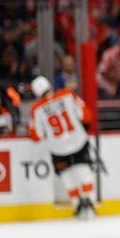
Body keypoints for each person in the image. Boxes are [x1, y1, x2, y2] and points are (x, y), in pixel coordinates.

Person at [28, 76, 96, 219]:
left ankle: (77, 204)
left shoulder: (37, 109)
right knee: (84, 171)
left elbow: (36, 136)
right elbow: (86, 115)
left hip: (57, 148)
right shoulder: (68, 94)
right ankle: (89, 201)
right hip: (78, 141)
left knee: (67, 176)